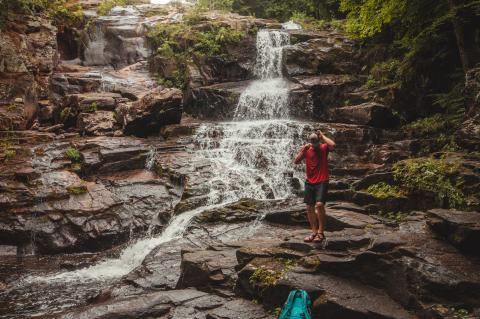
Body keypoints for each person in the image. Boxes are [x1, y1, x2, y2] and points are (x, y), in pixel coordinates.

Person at [293, 130, 336, 243]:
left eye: (316, 141)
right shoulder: (307, 150)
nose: (315, 144)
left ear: (318, 141)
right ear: (310, 142)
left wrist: (322, 136)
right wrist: (303, 149)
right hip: (309, 182)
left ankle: (321, 233)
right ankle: (314, 232)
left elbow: (333, 145)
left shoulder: (323, 148)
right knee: (309, 207)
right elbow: (296, 161)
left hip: (322, 180)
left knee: (320, 204)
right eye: (313, 142)